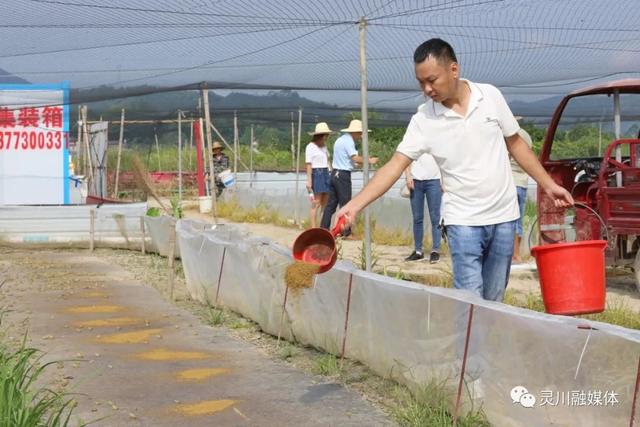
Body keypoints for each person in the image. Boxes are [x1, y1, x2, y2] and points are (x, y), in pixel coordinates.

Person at [336, 38, 573, 302]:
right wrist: (355, 204)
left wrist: (549, 185)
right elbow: (394, 166)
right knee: (469, 302)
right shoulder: (423, 120)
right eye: (420, 82)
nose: (427, 89)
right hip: (463, 222)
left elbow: (516, 145)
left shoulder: (490, 96)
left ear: (454, 70)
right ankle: (469, 343)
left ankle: (484, 342)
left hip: (504, 217)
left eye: (432, 80)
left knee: (495, 300)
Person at [320, 119, 378, 236]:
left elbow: (347, 160)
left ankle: (323, 229)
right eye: (360, 133)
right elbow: (355, 158)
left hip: (335, 173)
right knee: (346, 205)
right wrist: (368, 160)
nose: (360, 136)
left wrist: (357, 163)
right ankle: (345, 231)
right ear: (355, 132)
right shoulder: (349, 142)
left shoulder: (340, 140)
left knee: (330, 205)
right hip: (343, 176)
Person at [404, 153, 442, 263]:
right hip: (415, 180)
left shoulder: (439, 137)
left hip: (434, 180)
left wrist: (443, 181)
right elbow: (406, 157)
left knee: (435, 218)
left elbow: (444, 159)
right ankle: (418, 251)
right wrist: (408, 175)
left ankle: (435, 250)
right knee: (417, 218)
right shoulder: (413, 136)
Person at [511, 128, 533, 263]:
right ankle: (517, 254)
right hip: (522, 182)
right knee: (518, 219)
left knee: (509, 219)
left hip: (508, 182)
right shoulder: (526, 135)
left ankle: (513, 255)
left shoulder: (505, 135)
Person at [305, 122, 333, 228]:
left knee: (325, 203)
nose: (326, 137)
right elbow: (308, 164)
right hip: (317, 174)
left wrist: (331, 172)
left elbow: (328, 160)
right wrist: (309, 180)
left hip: (326, 173)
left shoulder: (324, 147)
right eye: (325, 135)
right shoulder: (310, 147)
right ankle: (313, 227)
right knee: (316, 202)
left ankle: (323, 227)